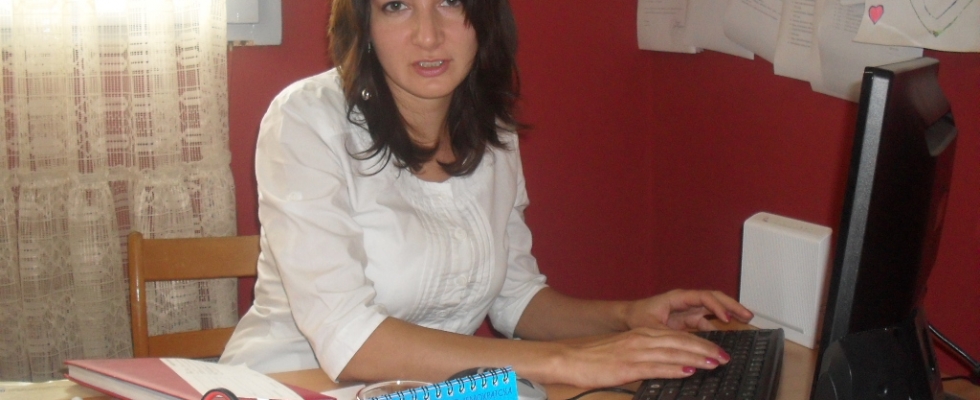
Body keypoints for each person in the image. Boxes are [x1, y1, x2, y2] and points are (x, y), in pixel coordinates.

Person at [219, 0, 754, 389]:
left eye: (450, 2)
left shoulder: (491, 131)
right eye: (396, 6)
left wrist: (628, 316)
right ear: (364, 23)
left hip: (433, 390)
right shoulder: (306, 120)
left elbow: (515, 298)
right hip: (290, 384)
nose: (428, 36)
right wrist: (566, 359)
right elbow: (350, 340)